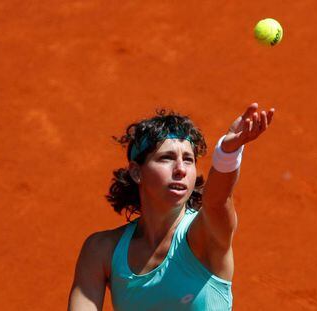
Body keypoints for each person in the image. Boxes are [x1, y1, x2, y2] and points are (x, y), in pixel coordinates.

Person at [68, 103, 275, 310]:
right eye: (166, 158)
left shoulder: (206, 234)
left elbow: (216, 201)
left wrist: (227, 154)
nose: (180, 170)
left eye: (188, 160)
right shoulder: (102, 250)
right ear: (136, 172)